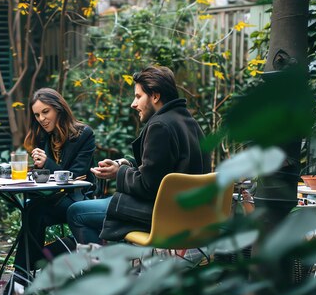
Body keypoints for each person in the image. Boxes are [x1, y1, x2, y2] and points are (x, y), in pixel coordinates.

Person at [66, 65, 211, 243]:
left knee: (76, 212)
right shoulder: (187, 120)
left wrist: (117, 173)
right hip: (191, 213)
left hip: (164, 215)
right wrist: (123, 165)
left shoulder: (160, 126)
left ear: (155, 96)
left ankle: (101, 270)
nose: (133, 104)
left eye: (138, 96)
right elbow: (161, 169)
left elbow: (147, 186)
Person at [14, 88, 96, 284]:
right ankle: (25, 275)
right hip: (50, 198)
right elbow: (46, 176)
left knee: (34, 209)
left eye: (45, 112)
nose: (41, 119)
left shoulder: (83, 134)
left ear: (58, 109)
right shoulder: (43, 136)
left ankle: (20, 279)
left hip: (76, 200)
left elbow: (76, 177)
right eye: (37, 115)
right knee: (32, 209)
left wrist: (48, 165)